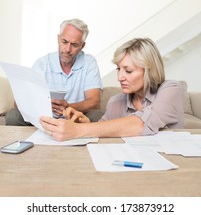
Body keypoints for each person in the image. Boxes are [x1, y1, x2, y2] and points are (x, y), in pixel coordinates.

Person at [40, 37, 184, 141]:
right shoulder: (116, 101)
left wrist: (78, 130)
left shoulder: (171, 90)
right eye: (118, 69)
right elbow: (101, 129)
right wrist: (86, 124)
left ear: (149, 71)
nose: (120, 77)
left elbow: (141, 123)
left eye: (128, 71)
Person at [6, 18, 103, 126]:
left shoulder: (89, 62)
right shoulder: (42, 64)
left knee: (98, 116)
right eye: (64, 42)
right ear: (58, 39)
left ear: (82, 46)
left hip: (75, 119)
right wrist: (43, 105)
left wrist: (69, 107)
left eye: (74, 45)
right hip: (44, 119)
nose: (67, 49)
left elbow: (94, 101)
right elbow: (20, 101)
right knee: (13, 115)